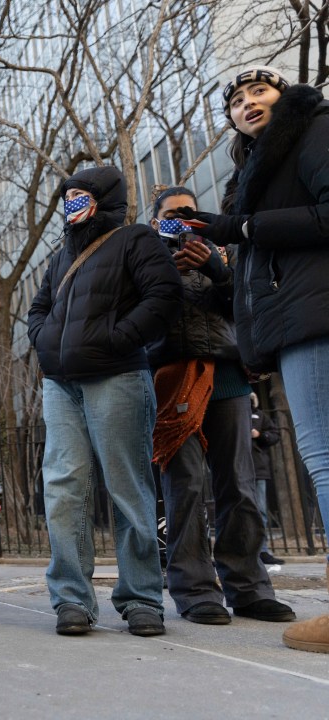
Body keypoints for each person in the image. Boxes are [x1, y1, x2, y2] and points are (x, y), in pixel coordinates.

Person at [175, 66, 329, 653]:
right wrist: (209, 263)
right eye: (236, 101)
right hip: (286, 328)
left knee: (313, 461)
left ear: (285, 96)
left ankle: (267, 587)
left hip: (306, 324)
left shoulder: (313, 130)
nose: (246, 104)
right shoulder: (256, 169)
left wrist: (233, 231)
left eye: (259, 92)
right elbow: (255, 271)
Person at [27, 165, 182, 637]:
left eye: (81, 197)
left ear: (104, 199)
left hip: (117, 377)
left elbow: (164, 295)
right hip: (61, 383)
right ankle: (71, 599)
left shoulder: (135, 239)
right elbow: (37, 310)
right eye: (67, 198)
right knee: (63, 487)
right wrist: (46, 342)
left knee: (128, 486)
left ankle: (141, 600)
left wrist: (117, 340)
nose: (72, 205)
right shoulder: (59, 258)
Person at [147, 186, 293, 625]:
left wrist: (216, 268)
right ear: (155, 222)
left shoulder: (226, 253)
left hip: (226, 374)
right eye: (171, 214)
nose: (181, 220)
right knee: (186, 485)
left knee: (239, 484)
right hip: (174, 377)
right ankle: (194, 590)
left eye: (189, 213)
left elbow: (250, 307)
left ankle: (247, 588)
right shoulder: (144, 257)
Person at [249, 392, 284, 565]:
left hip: (258, 469)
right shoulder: (230, 412)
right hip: (236, 467)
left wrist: (259, 435)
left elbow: (275, 434)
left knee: (260, 511)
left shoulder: (260, 415)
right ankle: (245, 551)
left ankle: (262, 550)